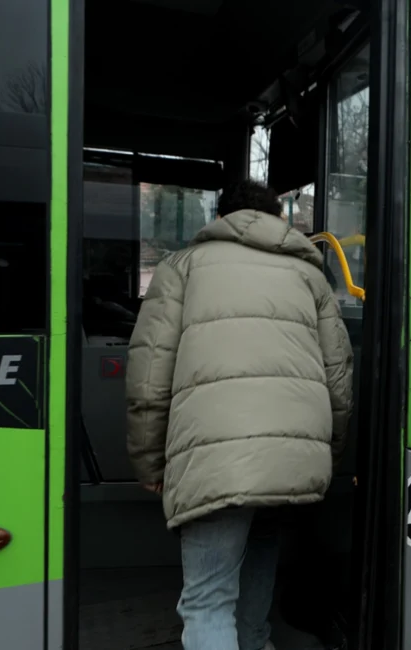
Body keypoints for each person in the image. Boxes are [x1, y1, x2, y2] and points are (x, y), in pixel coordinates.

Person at [125, 179, 354, 650]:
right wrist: (323, 454)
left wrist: (149, 461)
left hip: (215, 461)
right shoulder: (310, 277)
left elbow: (148, 375)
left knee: (207, 601)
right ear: (277, 217)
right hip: (289, 461)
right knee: (258, 562)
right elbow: (339, 380)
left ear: (220, 217)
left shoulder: (182, 267)